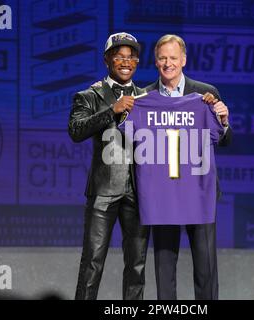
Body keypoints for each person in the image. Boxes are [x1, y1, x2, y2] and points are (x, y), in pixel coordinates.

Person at [145, 34, 232, 300]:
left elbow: (224, 139)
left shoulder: (205, 94)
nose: (168, 63)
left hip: (199, 192)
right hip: (163, 195)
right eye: (162, 58)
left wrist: (224, 120)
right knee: (164, 267)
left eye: (173, 58)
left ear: (183, 59)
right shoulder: (144, 96)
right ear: (155, 62)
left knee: (206, 268)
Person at [68, 32, 149, 300]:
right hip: (103, 190)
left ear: (136, 62)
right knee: (92, 262)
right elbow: (76, 130)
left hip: (139, 193)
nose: (126, 61)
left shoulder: (148, 97)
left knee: (137, 266)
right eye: (119, 56)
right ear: (107, 60)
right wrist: (112, 110)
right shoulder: (89, 95)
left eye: (131, 56)